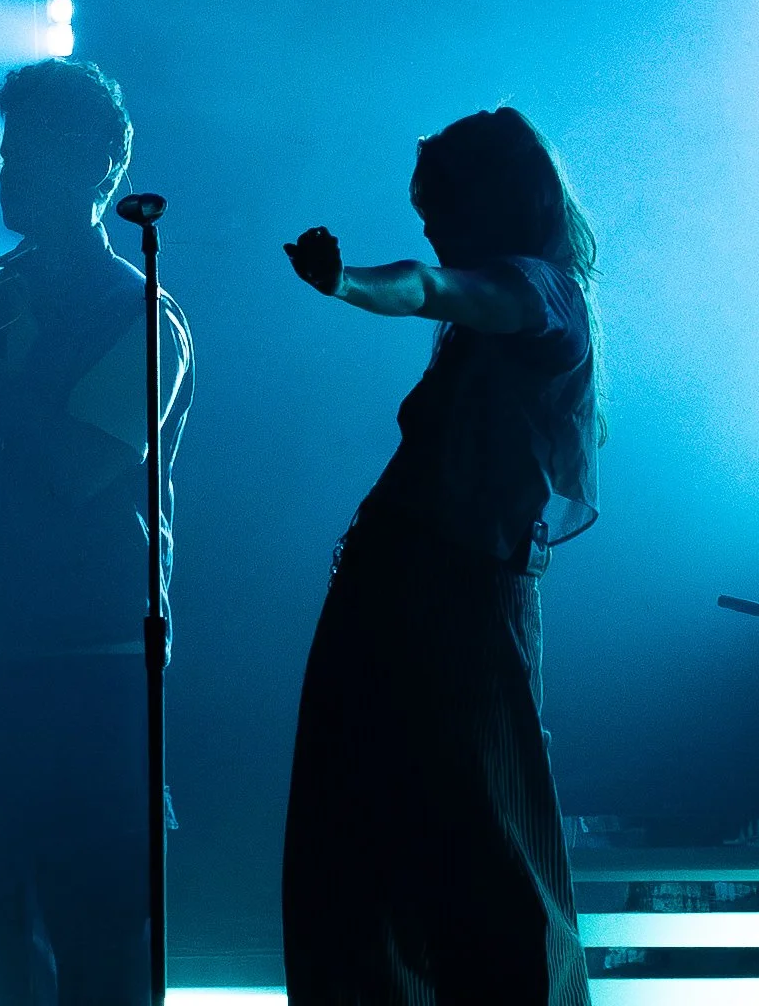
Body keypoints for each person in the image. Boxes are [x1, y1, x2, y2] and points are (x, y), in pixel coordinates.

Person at [282, 106, 600, 1005]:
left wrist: (345, 282)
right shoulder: (512, 307)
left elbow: (423, 284)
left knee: (476, 841)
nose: (428, 228)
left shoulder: (536, 293)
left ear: (492, 202)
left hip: (448, 606)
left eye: (439, 208)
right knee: (387, 844)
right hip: (412, 599)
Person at [0, 58, 194, 1005]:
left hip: (91, 675)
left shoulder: (141, 315)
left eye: (35, 153)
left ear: (101, 165)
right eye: (9, 152)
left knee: (100, 948)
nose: (10, 172)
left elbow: (79, 467)